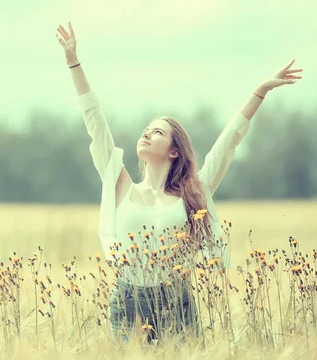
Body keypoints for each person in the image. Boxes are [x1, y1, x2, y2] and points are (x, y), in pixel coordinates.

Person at [55, 21, 302, 343]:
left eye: (157, 131)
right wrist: (73, 61)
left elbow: (229, 140)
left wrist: (260, 91)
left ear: (174, 151)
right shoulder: (121, 186)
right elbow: (95, 123)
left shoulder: (194, 191)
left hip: (177, 299)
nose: (146, 133)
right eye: (146, 129)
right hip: (128, 298)